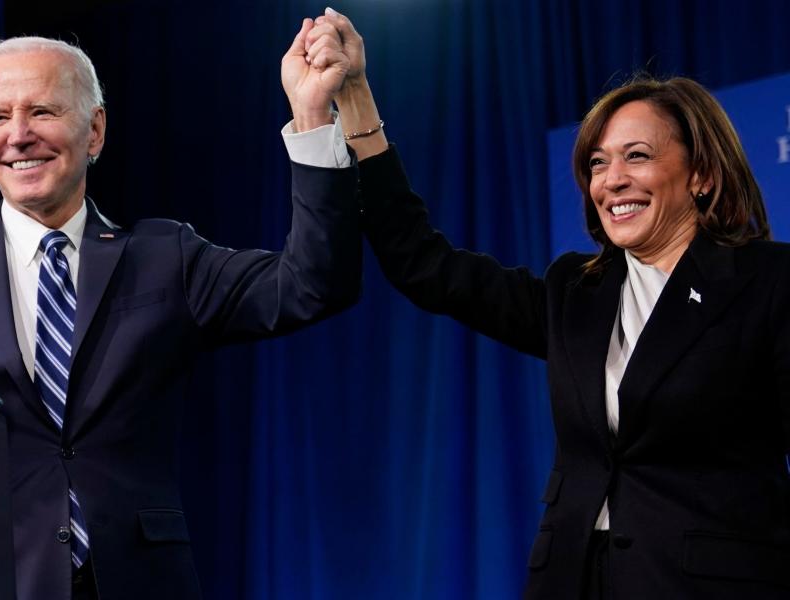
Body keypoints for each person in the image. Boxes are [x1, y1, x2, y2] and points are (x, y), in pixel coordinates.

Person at [0, 19, 361, 600]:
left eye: (42, 111)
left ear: (94, 130)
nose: (18, 135)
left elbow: (312, 286)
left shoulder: (164, 256)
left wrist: (310, 118)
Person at [304, 9, 790, 600]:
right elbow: (423, 266)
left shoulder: (767, 282)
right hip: (571, 581)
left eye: (636, 155)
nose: (611, 180)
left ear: (701, 175)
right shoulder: (574, 291)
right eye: (597, 162)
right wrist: (355, 99)